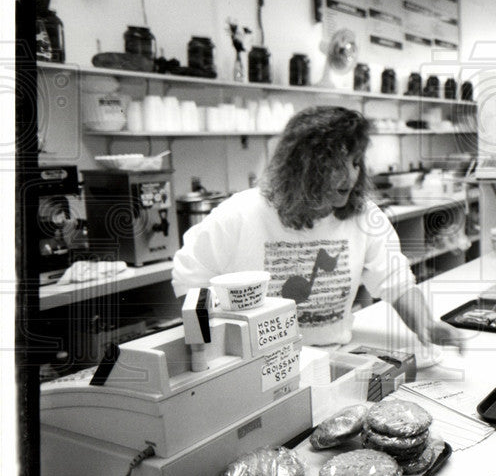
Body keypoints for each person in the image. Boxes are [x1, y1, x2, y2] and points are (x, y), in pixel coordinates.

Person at [173, 106, 464, 351]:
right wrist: (212, 349)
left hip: (331, 358)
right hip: (254, 366)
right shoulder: (240, 214)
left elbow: (396, 281)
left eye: (354, 162)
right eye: (335, 165)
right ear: (301, 166)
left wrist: (425, 325)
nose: (350, 175)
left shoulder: (364, 218)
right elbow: (190, 278)